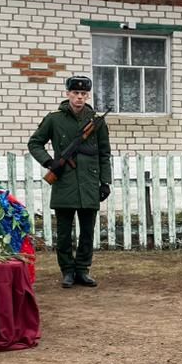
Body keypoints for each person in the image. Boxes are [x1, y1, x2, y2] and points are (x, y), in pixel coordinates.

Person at [28, 75, 113, 289]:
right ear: (68, 94)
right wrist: (49, 162)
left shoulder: (96, 121)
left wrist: (105, 181)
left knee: (87, 231)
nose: (79, 98)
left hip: (89, 182)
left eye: (83, 94)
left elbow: (104, 153)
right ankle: (67, 271)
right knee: (64, 233)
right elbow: (35, 143)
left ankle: (82, 270)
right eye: (75, 93)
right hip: (64, 180)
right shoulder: (54, 119)